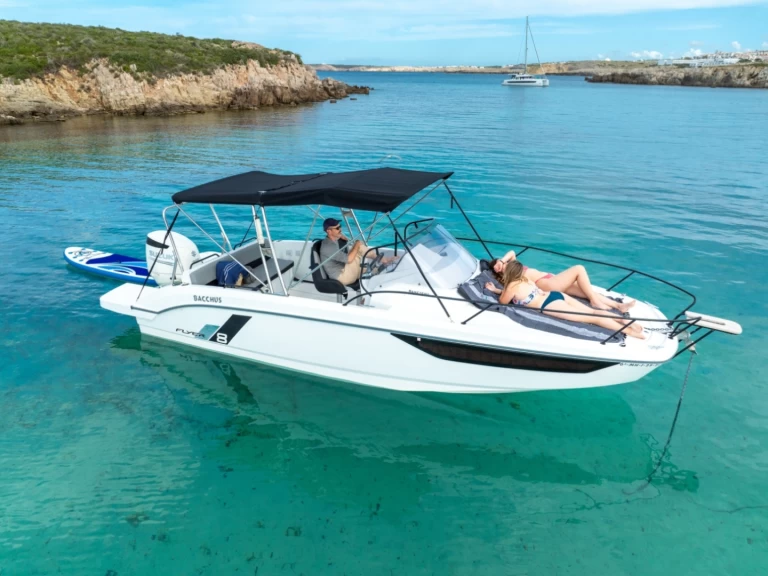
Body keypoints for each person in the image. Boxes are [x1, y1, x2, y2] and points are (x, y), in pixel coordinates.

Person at [485, 260, 646, 339]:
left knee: (594, 317)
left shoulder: (511, 286)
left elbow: (503, 302)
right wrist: (498, 289)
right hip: (555, 296)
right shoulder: (524, 279)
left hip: (550, 304)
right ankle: (628, 322)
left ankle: (631, 332)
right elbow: (512, 294)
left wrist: (496, 290)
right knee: (593, 311)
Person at [489, 249, 635, 313]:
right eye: (498, 266)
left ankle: (618, 305)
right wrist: (499, 269)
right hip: (548, 284)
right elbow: (508, 292)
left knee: (586, 291)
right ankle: (595, 302)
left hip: (551, 280)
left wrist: (502, 260)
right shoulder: (511, 275)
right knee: (579, 268)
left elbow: (512, 253)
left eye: (501, 263)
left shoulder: (511, 265)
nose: (502, 265)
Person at [319, 218, 394, 286]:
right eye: (337, 228)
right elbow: (349, 260)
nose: (340, 229)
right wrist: (356, 245)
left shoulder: (333, 240)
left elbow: (342, 241)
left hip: (344, 270)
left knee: (372, 269)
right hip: (342, 277)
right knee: (358, 246)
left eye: (340, 226)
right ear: (329, 231)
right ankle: (384, 260)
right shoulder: (328, 246)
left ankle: (379, 268)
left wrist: (341, 236)